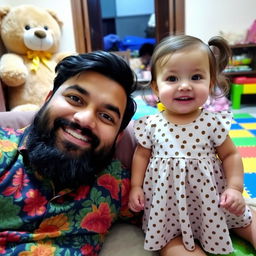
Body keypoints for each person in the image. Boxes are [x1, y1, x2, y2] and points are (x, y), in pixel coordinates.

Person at [0, 51, 140, 255]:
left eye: (106, 116)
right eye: (75, 98)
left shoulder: (119, 185)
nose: (84, 119)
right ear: (47, 100)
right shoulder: (4, 150)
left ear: (118, 137)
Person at [128, 35, 256, 255]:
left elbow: (231, 155)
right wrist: (136, 186)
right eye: (172, 78)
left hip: (213, 200)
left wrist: (234, 188)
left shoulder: (212, 121)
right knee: (169, 241)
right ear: (156, 88)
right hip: (168, 205)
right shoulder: (150, 124)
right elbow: (141, 156)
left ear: (211, 83)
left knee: (246, 219)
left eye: (196, 77)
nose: (185, 86)